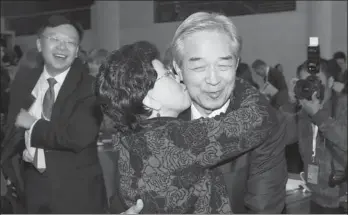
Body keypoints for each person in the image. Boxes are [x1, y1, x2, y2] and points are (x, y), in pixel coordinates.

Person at [97, 40, 279, 214]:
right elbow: (260, 116)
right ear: (149, 99)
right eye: (168, 75)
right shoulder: (173, 140)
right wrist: (225, 77)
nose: (178, 77)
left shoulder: (129, 139)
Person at [163, 12, 287, 213]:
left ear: (236, 65)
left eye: (223, 65)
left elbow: (263, 208)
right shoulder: (159, 118)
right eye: (198, 66)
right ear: (178, 68)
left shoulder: (265, 124)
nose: (213, 79)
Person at [0, 15, 107, 213]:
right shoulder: (24, 82)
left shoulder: (90, 86)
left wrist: (32, 124)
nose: (62, 47)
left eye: (70, 42)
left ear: (76, 52)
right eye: (55, 39)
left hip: (76, 194)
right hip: (30, 189)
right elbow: (12, 131)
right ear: (40, 44)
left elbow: (76, 136)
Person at [280, 59, 347, 213]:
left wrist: (319, 115)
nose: (312, 88)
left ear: (330, 82)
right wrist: (290, 103)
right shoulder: (304, 112)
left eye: (316, 81)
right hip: (315, 196)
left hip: (342, 199)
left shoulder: (343, 106)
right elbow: (281, 137)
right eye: (306, 83)